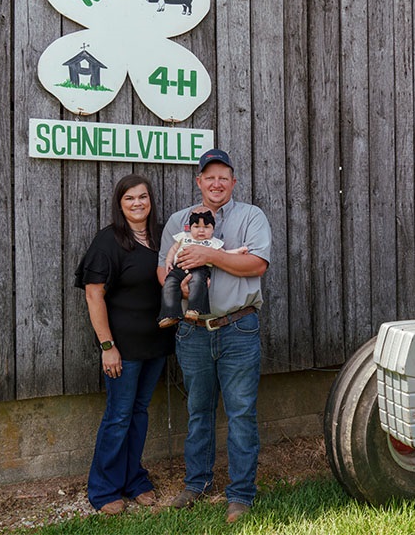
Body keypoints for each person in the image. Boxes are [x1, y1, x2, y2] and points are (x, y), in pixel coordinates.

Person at [159, 149, 272, 524]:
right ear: (199, 182)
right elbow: (164, 269)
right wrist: (182, 291)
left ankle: (240, 495)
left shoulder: (250, 216)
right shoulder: (179, 220)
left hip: (238, 326)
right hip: (192, 330)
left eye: (224, 177)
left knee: (241, 413)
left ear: (233, 182)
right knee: (198, 412)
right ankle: (197, 484)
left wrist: (207, 255)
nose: (217, 183)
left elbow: (256, 263)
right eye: (210, 177)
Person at [73, 174, 174, 515]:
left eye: (143, 197)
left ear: (151, 201)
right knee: (118, 416)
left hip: (156, 343)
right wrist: (107, 346)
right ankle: (103, 490)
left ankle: (134, 480)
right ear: (120, 204)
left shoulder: (162, 237)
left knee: (138, 413)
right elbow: (93, 294)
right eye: (129, 198)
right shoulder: (108, 241)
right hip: (122, 348)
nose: (137, 204)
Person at [158, 208, 248, 328]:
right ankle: (170, 314)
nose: (201, 231)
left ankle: (194, 309)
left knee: (197, 283)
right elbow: (173, 249)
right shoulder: (184, 237)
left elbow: (224, 253)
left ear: (213, 229)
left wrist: (238, 251)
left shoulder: (212, 243)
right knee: (169, 284)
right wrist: (168, 261)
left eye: (206, 227)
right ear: (190, 227)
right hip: (178, 268)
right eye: (196, 226)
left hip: (198, 269)